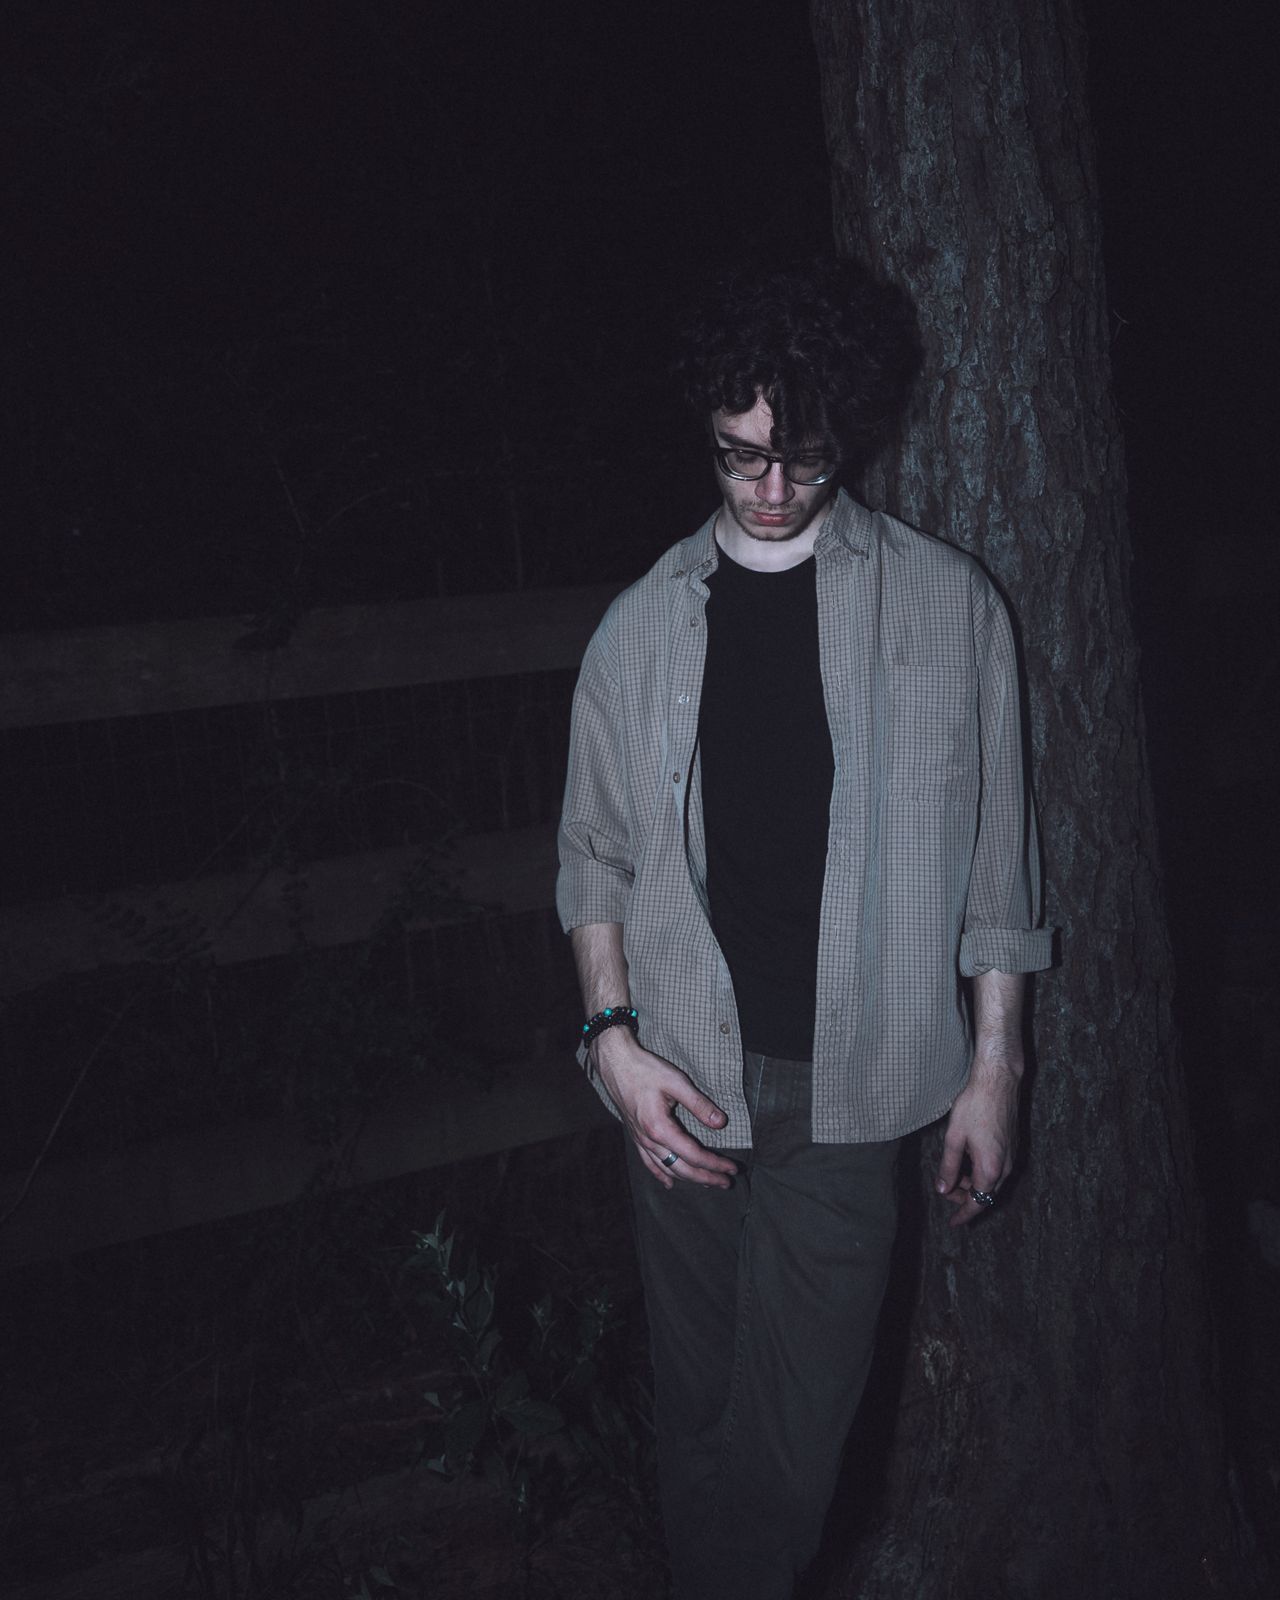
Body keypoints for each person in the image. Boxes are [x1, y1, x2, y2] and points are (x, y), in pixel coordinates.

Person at [556, 258, 1053, 1600]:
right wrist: (611, 1043)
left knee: (787, 1459)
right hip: (683, 1085)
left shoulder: (950, 609)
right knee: (696, 1422)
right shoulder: (636, 632)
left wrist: (997, 1068)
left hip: (858, 1089)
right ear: (708, 431)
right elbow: (593, 857)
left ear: (854, 433)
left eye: (807, 458)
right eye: (743, 456)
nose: (773, 487)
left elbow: (1000, 867)